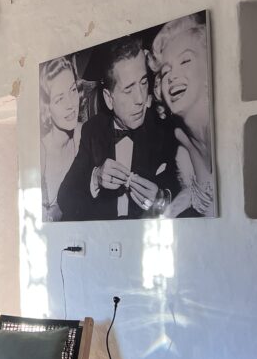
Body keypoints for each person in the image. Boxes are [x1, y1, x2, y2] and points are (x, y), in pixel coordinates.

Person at [57, 37, 178, 221]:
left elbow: (189, 190)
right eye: (128, 89)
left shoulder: (165, 128)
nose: (140, 99)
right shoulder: (93, 130)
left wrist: (163, 199)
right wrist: (95, 179)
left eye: (143, 82)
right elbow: (65, 198)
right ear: (109, 98)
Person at [149, 15, 215, 217]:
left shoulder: (222, 130)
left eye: (185, 61)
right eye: (165, 72)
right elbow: (200, 194)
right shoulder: (182, 137)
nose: (172, 77)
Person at [40, 56, 81, 221]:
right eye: (59, 99)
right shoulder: (41, 151)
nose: (71, 104)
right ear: (47, 108)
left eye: (73, 90)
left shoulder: (82, 134)